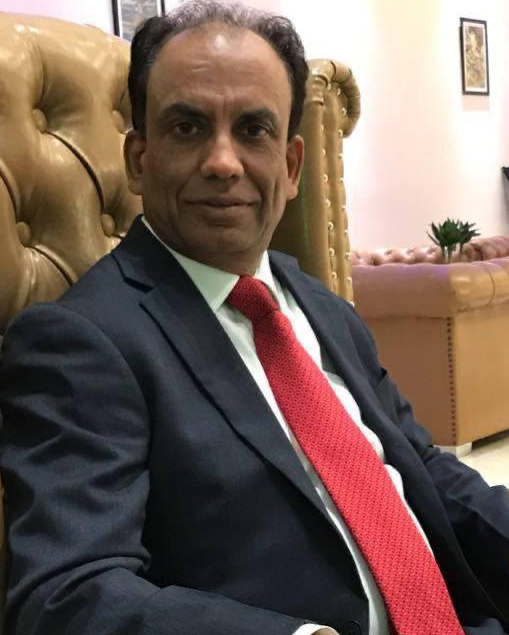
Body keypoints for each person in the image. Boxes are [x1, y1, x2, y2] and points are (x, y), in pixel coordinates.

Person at [1, 2, 508, 634]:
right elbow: (67, 594)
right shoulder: (79, 342)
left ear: (291, 167)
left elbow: (422, 470)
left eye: (253, 130)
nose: (223, 161)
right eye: (187, 127)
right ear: (138, 159)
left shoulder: (325, 310)